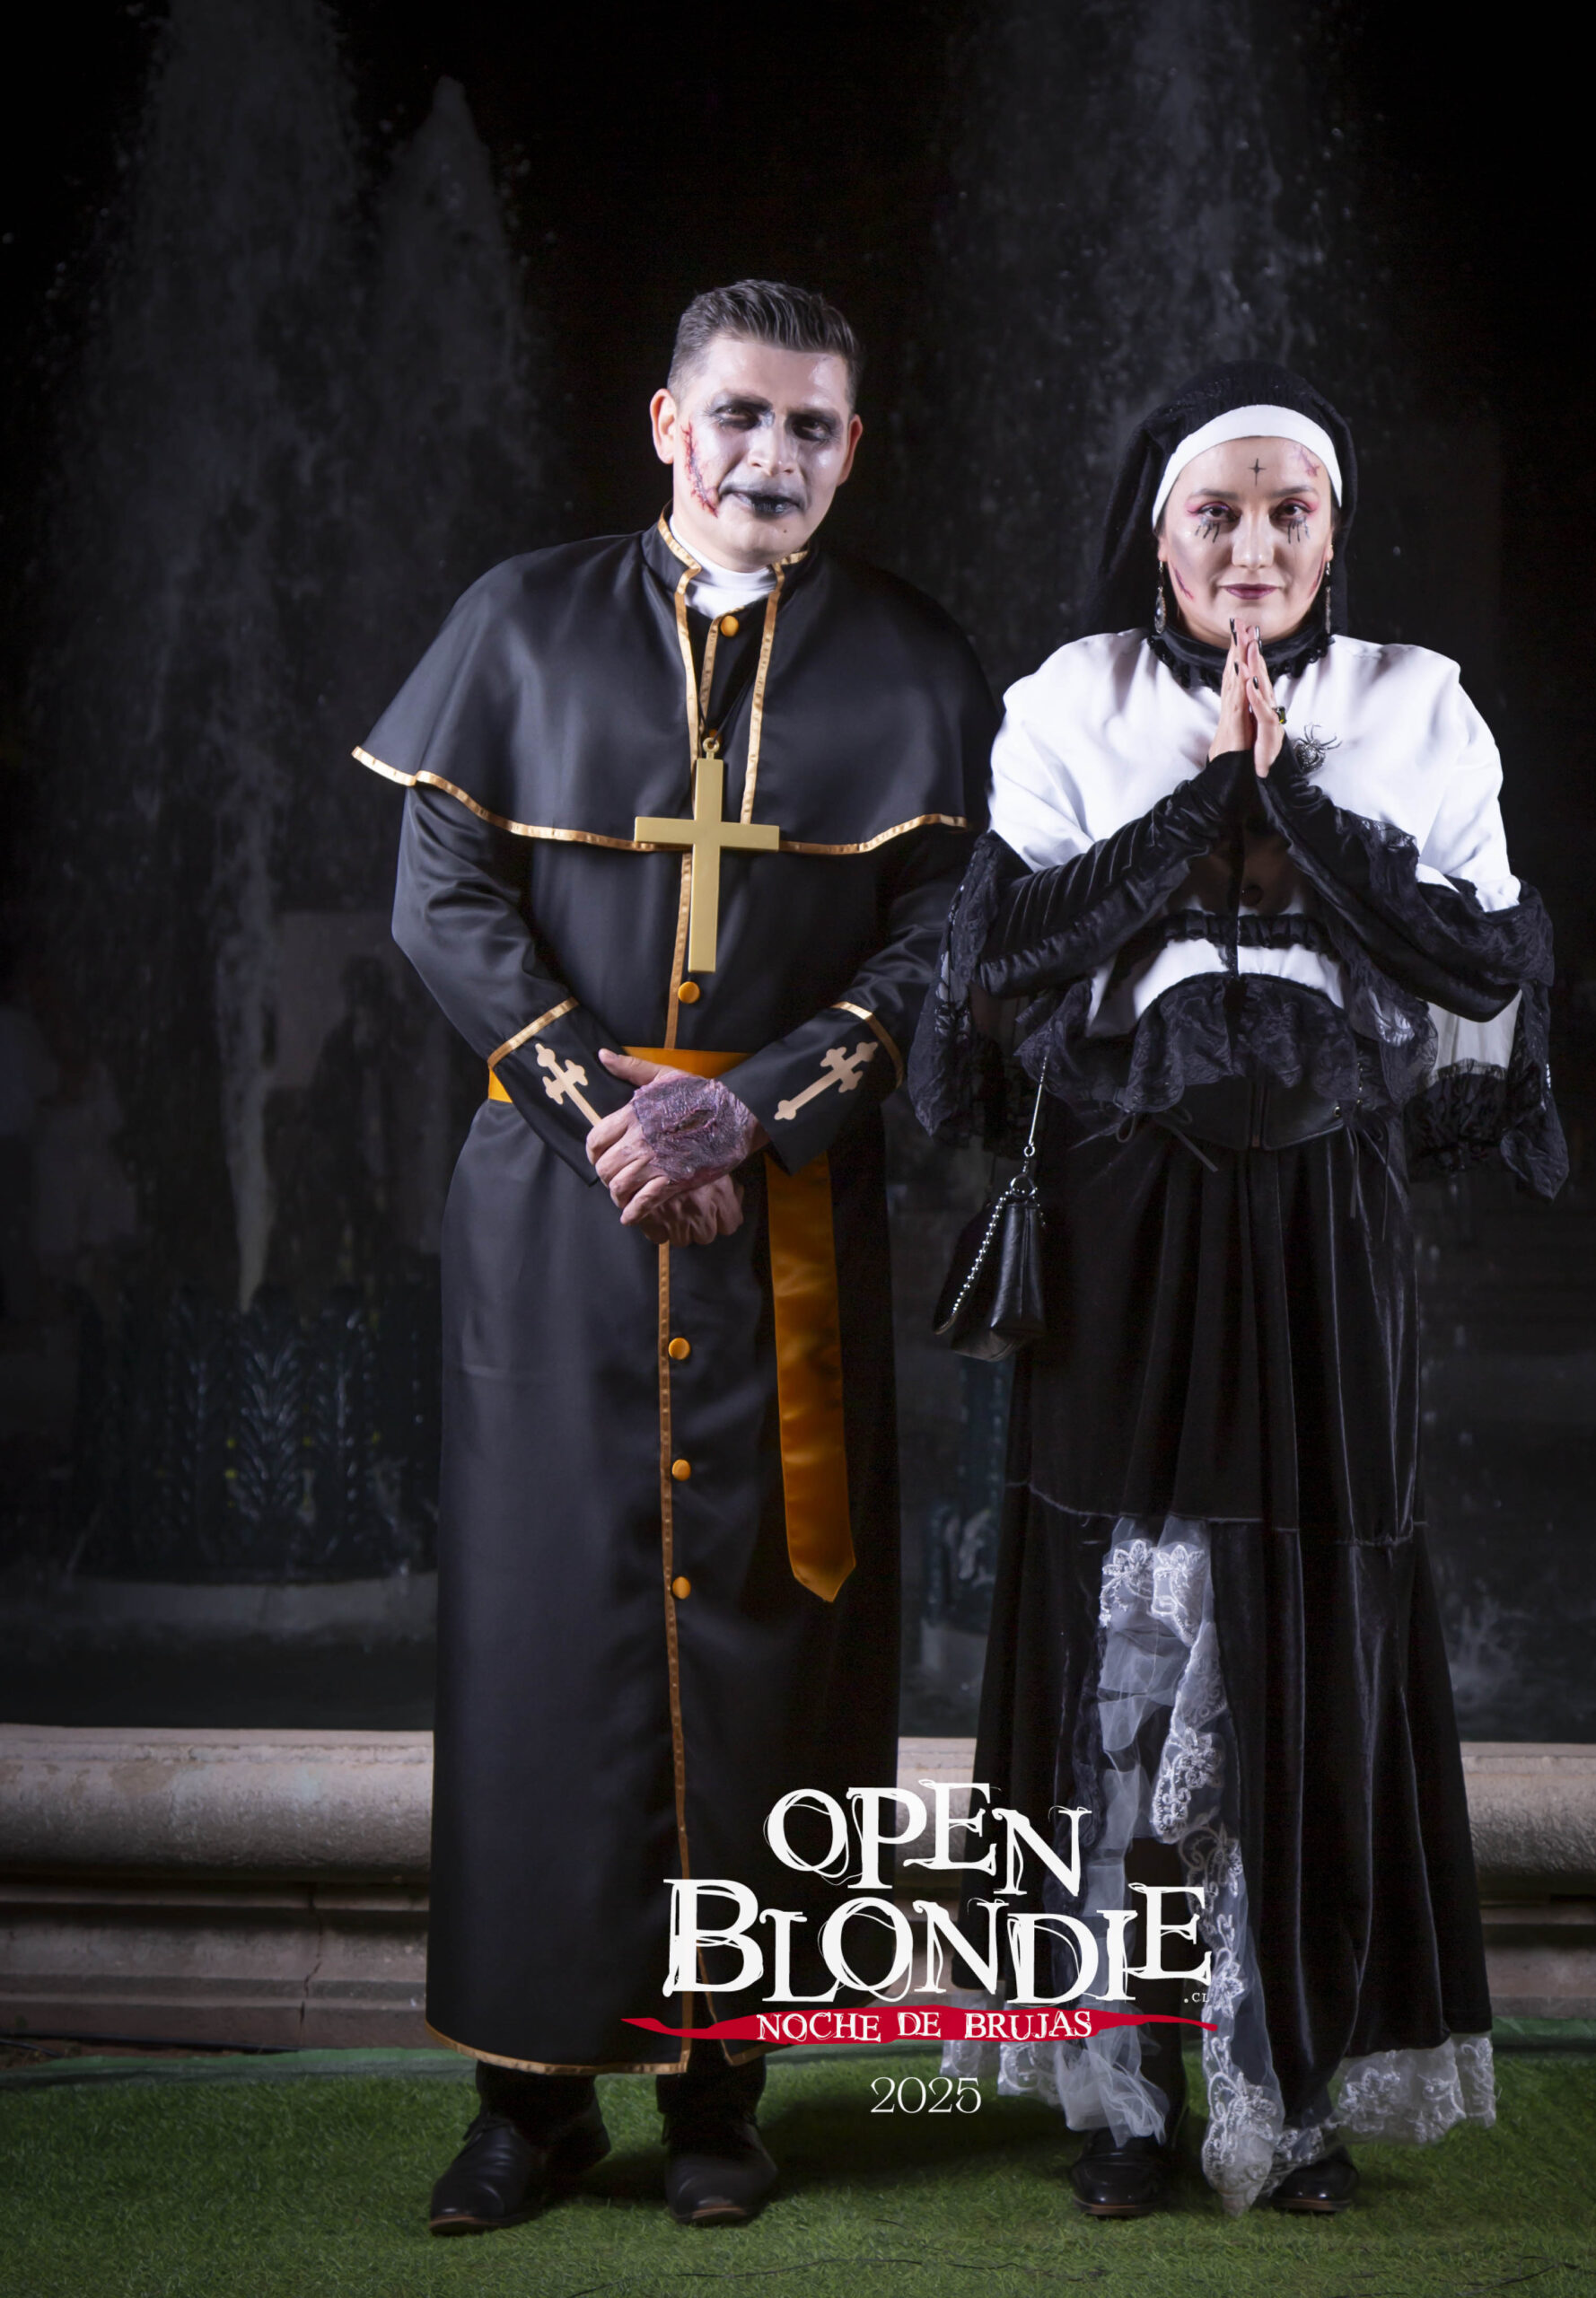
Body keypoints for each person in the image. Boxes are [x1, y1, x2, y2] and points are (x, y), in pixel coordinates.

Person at [359, 280, 992, 2233]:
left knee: (777, 1643)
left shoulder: (912, 658)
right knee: (546, 1639)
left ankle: (725, 2087)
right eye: (737, 416)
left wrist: (762, 1106)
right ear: (666, 424)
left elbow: (948, 940)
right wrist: (608, 1107)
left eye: (809, 427)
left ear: (851, 451)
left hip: (784, 1209)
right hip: (559, 1209)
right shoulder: (519, 618)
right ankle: (529, 2099)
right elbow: (442, 894)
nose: (768, 456)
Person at [914, 361, 1565, 2218]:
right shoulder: (1074, 698)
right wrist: (1206, 796)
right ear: (1160, 532)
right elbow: (1006, 953)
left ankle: (1286, 2096)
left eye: (1291, 513)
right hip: (1121, 1212)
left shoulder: (1418, 703)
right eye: (1220, 512)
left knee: (1306, 1627)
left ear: (1335, 535)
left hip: (1325, 1225)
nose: (1255, 545)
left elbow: (1477, 960)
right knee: (1117, 1636)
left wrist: (1298, 801)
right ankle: (1116, 2099)